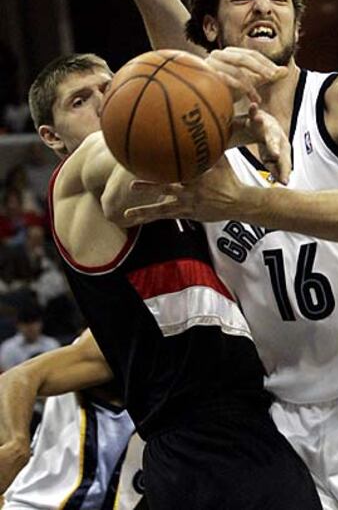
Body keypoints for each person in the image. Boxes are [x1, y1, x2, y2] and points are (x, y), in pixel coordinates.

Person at [103, 0, 338, 509]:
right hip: (285, 418)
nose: (263, 6)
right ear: (213, 28)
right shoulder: (201, 143)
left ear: (297, 21)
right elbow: (125, 191)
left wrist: (246, 203)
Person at [16, 51, 322, 509]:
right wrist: (216, 95)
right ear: (51, 137)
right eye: (81, 100)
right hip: (196, 441)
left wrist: (253, 124)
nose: (103, 103)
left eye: (109, 87)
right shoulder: (74, 180)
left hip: (255, 427)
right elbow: (118, 183)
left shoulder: (181, 188)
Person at [0, 329, 146, 509]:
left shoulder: (180, 364)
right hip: (39, 502)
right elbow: (18, 378)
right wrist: (16, 443)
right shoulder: (112, 339)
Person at [0, 306, 59, 373]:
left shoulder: (52, 344)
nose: (30, 328)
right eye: (26, 324)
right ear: (18, 326)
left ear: (41, 323)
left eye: (34, 323)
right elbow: (6, 375)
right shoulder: (8, 348)